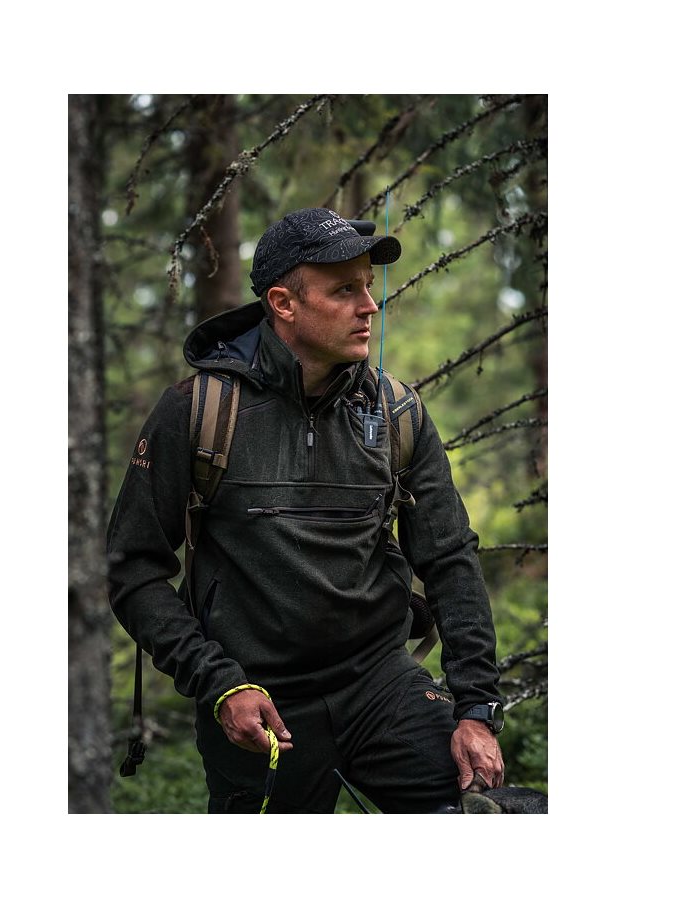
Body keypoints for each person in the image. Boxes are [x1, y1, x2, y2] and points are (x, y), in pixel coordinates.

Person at [107, 207, 504, 813]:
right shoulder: (198, 411)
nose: (369, 306)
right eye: (344, 290)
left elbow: (449, 558)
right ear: (283, 303)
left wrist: (476, 708)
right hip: (258, 701)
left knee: (486, 811)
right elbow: (133, 570)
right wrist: (219, 684)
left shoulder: (397, 413)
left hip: (381, 684)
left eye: (368, 286)